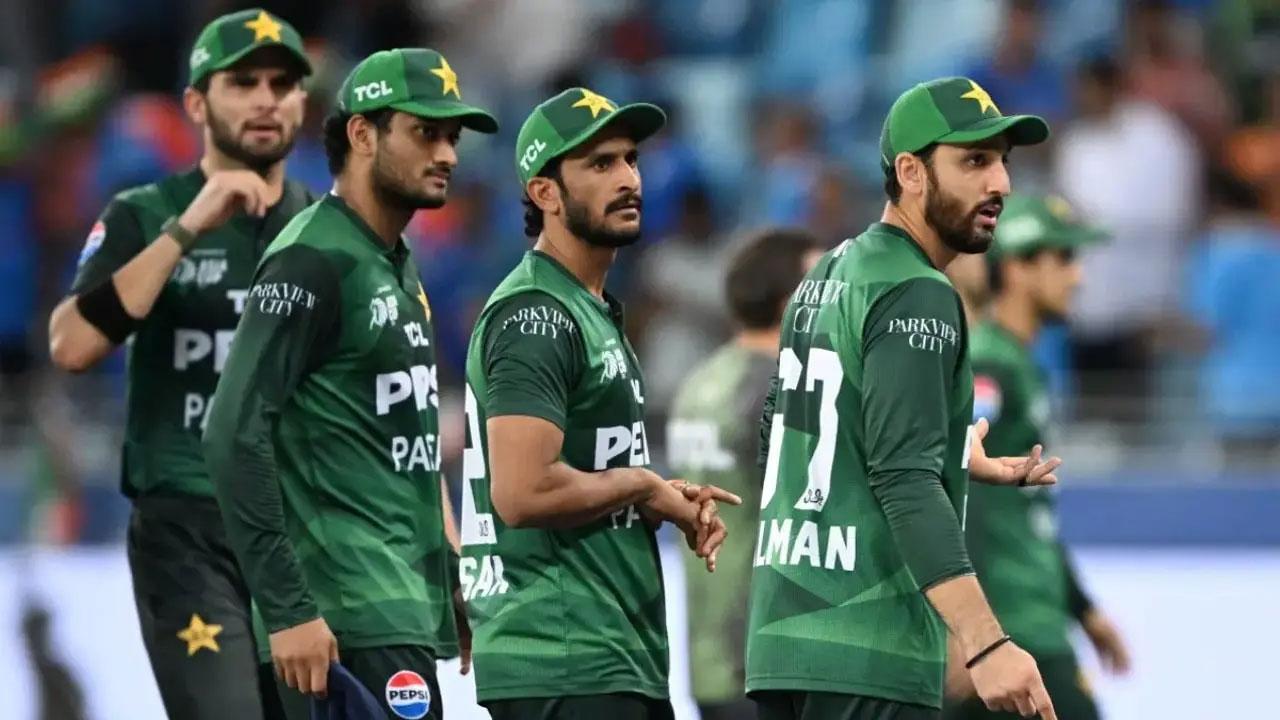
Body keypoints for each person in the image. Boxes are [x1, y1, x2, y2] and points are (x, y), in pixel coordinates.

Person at [747, 77, 1065, 720]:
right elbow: (904, 479)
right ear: (911, 172)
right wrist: (986, 643)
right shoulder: (917, 291)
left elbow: (777, 436)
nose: (1001, 183)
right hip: (869, 644)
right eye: (975, 161)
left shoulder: (827, 274)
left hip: (783, 641)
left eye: (1003, 161)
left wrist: (943, 451)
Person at [203, 48, 497, 720]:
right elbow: (230, 432)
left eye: (452, 137)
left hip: (392, 608)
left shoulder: (394, 262)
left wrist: (451, 573)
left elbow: (406, 442)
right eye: (426, 132)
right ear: (362, 134)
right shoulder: (313, 259)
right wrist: (288, 610)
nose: (448, 154)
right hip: (338, 621)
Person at [46, 9, 313, 718]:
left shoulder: (328, 229)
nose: (266, 99)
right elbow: (71, 345)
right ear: (196, 103)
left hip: (305, 532)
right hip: (188, 530)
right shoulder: (144, 213)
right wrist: (189, 227)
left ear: (302, 101)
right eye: (243, 83)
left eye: (282, 83)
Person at [458, 87, 737, 720]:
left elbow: (579, 472)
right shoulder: (535, 313)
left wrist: (651, 493)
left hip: (605, 653)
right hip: (563, 652)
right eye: (601, 164)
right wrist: (641, 484)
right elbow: (522, 492)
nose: (629, 179)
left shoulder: (586, 307)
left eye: (631, 159)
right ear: (545, 192)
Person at [943, 194, 1131, 720]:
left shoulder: (1019, 366)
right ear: (1018, 267)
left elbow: (1031, 514)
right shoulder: (989, 367)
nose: (1078, 276)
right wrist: (967, 631)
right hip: (1008, 629)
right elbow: (956, 490)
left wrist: (1083, 610)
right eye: (1064, 258)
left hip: (1027, 624)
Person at [666, 228, 824, 720]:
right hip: (769, 657)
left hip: (708, 653)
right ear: (789, 301)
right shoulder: (780, 389)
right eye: (821, 285)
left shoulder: (699, 382)